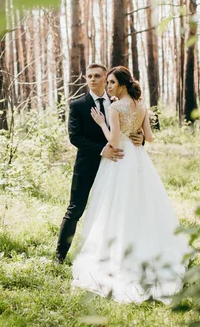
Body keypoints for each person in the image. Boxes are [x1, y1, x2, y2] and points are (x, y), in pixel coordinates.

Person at [71, 66, 190, 304]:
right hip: (138, 159)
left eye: (112, 83)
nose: (109, 87)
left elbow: (113, 141)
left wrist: (102, 122)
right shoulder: (142, 105)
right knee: (142, 201)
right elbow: (150, 136)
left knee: (116, 205)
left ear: (122, 84)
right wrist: (139, 136)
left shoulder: (115, 107)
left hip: (119, 160)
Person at [55, 63, 144, 264]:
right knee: (75, 209)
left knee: (116, 209)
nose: (92, 79)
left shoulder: (119, 102)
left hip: (117, 165)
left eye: (97, 76)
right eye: (89, 76)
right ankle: (59, 256)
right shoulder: (78, 105)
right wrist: (102, 150)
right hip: (87, 164)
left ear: (106, 79)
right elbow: (75, 137)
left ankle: (112, 256)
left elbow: (132, 128)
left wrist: (141, 138)